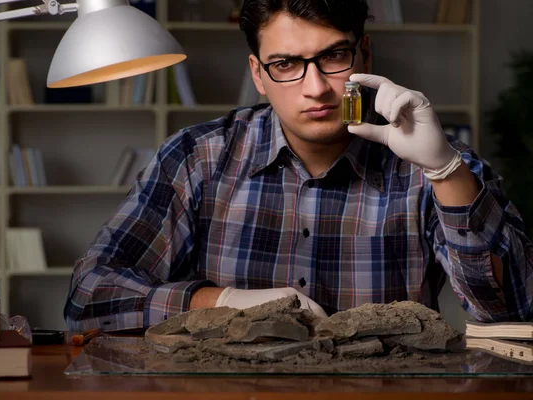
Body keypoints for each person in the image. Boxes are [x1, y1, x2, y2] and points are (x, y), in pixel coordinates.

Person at [64, 0, 532, 331]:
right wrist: (220, 302)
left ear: (364, 55)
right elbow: (88, 295)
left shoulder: (436, 162)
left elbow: (513, 311)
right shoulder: (198, 157)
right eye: (286, 64)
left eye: (333, 56)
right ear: (257, 75)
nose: (315, 88)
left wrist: (446, 171)